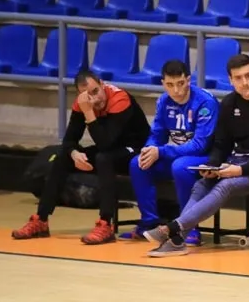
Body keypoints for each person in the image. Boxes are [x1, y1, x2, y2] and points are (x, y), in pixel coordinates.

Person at [143, 53, 249, 257]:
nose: (245, 82)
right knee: (201, 184)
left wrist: (240, 170)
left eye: (248, 76)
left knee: (226, 185)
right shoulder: (229, 104)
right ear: (231, 80)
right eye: (238, 78)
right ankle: (177, 241)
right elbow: (221, 144)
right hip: (238, 161)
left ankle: (172, 228)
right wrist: (212, 165)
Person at [11, 70, 150, 244]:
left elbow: (106, 142)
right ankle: (41, 220)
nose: (94, 99)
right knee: (63, 157)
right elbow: (69, 140)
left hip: (136, 150)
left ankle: (105, 224)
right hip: (109, 150)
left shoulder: (119, 99)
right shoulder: (82, 104)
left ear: (102, 84)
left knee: (103, 158)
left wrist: (88, 112)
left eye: (95, 91)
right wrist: (74, 153)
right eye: (87, 96)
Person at [121, 60, 218, 245]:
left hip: (207, 157)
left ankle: (188, 227)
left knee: (180, 167)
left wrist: (161, 151)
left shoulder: (206, 102)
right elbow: (156, 135)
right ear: (163, 83)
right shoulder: (163, 101)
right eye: (170, 85)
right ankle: (149, 223)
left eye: (180, 83)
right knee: (138, 163)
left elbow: (200, 145)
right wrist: (149, 149)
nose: (176, 90)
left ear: (188, 80)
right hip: (180, 154)